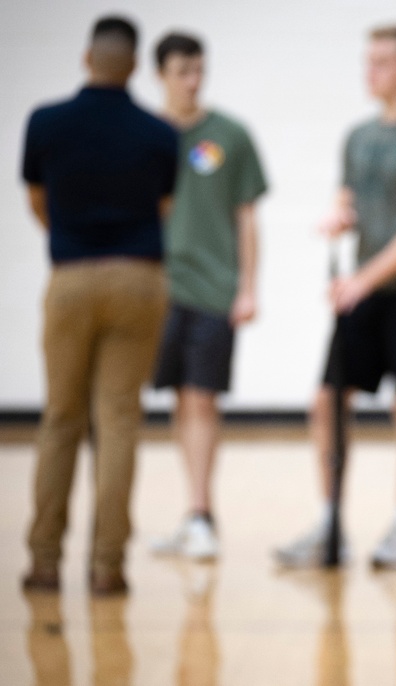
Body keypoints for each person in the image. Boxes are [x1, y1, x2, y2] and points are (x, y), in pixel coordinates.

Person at [274, 24, 396, 569]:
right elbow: (349, 196)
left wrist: (363, 280)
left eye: (380, 63)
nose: (369, 72)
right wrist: (339, 214)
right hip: (364, 288)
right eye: (367, 61)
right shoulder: (358, 136)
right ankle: (330, 523)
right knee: (326, 401)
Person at [20, 15, 178, 594]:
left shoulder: (46, 122)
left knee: (60, 418)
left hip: (71, 278)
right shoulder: (160, 134)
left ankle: (43, 560)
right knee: (118, 421)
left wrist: (71, 237)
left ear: (87, 58)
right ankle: (108, 566)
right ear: (136, 65)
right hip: (138, 278)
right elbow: (163, 206)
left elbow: (39, 201)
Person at [147, 32, 268, 561]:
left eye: (200, 70)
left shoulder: (230, 135)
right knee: (179, 398)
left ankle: (202, 515)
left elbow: (247, 217)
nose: (193, 81)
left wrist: (247, 287)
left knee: (202, 397)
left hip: (213, 290)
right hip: (157, 291)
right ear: (160, 74)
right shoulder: (145, 135)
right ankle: (190, 514)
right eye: (182, 71)